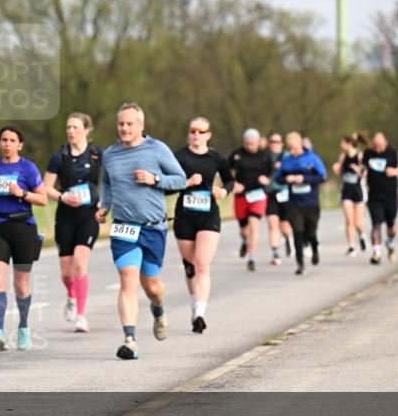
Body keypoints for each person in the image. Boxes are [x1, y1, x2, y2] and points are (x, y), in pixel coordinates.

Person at [96, 103, 186, 360]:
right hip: (124, 227)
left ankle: (158, 310)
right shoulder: (110, 154)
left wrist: (155, 179)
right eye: (121, 124)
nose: (124, 128)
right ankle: (130, 340)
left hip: (153, 228)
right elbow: (108, 183)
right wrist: (105, 206)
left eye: (129, 124)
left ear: (141, 125)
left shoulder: (157, 149)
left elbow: (181, 179)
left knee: (153, 287)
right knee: (128, 279)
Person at [0, 125, 47, 352]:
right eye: (4, 140)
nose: (7, 144)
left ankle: (24, 327)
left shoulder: (28, 168)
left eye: (12, 140)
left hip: (23, 228)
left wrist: (23, 193)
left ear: (20, 144)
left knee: (21, 284)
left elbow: (44, 199)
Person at [172, 118, 234, 334]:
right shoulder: (178, 157)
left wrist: (223, 192)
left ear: (209, 134)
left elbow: (229, 180)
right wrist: (187, 182)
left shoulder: (215, 157)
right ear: (189, 134)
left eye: (201, 131)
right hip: (184, 215)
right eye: (193, 131)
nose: (196, 134)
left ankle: (200, 312)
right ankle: (194, 301)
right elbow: (166, 186)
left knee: (202, 265)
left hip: (208, 215)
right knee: (190, 267)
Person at [42, 113, 102, 333]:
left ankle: (81, 316)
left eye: (75, 127)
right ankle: (71, 295)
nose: (71, 131)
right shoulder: (59, 157)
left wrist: (105, 203)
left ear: (86, 130)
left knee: (80, 262)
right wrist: (62, 197)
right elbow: (45, 187)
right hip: (65, 216)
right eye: (68, 127)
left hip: (88, 215)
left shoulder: (97, 154)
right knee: (67, 272)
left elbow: (113, 176)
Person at [274, 132, 328, 275]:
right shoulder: (287, 161)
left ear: (300, 145)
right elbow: (278, 178)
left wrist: (304, 178)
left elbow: (322, 177)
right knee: (298, 232)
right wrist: (288, 179)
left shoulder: (312, 158)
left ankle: (315, 248)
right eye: (290, 148)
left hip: (311, 202)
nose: (292, 151)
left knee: (311, 232)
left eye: (294, 148)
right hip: (294, 203)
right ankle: (300, 264)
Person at [229, 129, 274, 272]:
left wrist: (267, 180)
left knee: (254, 225)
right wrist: (233, 184)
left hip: (258, 194)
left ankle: (251, 257)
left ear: (258, 141)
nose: (251, 146)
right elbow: (225, 171)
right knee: (243, 230)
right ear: (245, 142)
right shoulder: (237, 155)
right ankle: (245, 241)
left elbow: (273, 173)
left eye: (253, 143)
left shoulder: (265, 156)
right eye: (248, 143)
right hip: (241, 195)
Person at [363, 132, 398, 264]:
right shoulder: (368, 153)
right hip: (374, 196)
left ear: (386, 143)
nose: (377, 149)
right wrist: (361, 172)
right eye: (375, 146)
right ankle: (376, 253)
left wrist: (395, 171)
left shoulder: (393, 152)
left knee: (391, 226)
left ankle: (390, 244)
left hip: (391, 196)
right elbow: (363, 167)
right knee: (376, 224)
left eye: (380, 146)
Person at [332, 133, 368, 256]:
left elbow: (365, 173)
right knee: (349, 220)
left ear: (349, 143)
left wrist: (358, 170)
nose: (340, 145)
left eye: (342, 143)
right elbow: (339, 171)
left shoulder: (360, 156)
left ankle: (362, 235)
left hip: (358, 189)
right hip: (346, 189)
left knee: (357, 222)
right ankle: (352, 246)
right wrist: (336, 168)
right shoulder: (343, 156)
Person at [264, 133, 292, 265]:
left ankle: (288, 239)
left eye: (277, 141)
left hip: (284, 192)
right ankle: (275, 253)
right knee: (272, 222)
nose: (275, 144)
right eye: (272, 141)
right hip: (270, 193)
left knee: (285, 225)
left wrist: (283, 167)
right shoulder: (265, 156)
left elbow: (293, 170)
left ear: (282, 143)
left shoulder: (287, 156)